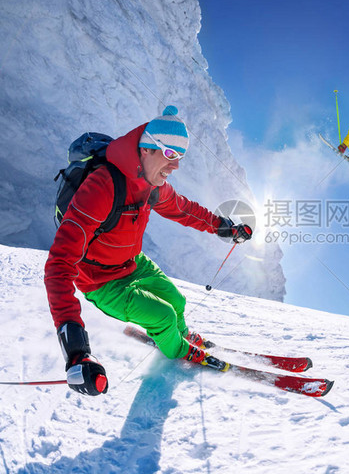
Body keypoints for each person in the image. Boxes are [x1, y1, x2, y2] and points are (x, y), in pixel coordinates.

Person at [44, 105, 252, 396]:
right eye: (169, 154)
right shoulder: (102, 186)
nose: (176, 165)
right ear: (146, 149)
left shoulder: (152, 183)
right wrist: (76, 349)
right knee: (164, 315)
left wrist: (224, 227)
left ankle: (178, 336)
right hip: (101, 281)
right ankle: (178, 350)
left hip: (133, 263)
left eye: (179, 157)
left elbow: (184, 209)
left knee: (177, 301)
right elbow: (58, 265)